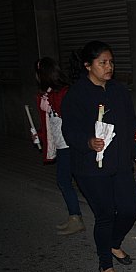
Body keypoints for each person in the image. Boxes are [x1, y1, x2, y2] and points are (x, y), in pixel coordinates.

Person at [61, 41, 136, 272]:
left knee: (131, 209)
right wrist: (88, 142)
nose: (108, 67)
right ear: (88, 66)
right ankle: (105, 262)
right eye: (102, 63)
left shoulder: (118, 90)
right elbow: (69, 130)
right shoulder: (76, 94)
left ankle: (113, 242)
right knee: (106, 214)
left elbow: (131, 125)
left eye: (111, 62)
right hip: (91, 166)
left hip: (120, 162)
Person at [34, 57, 85, 236]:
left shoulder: (64, 92)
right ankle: (75, 216)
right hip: (61, 142)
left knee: (66, 180)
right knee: (70, 180)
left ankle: (76, 217)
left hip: (69, 143)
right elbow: (49, 123)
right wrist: (39, 134)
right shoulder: (48, 93)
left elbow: (69, 116)